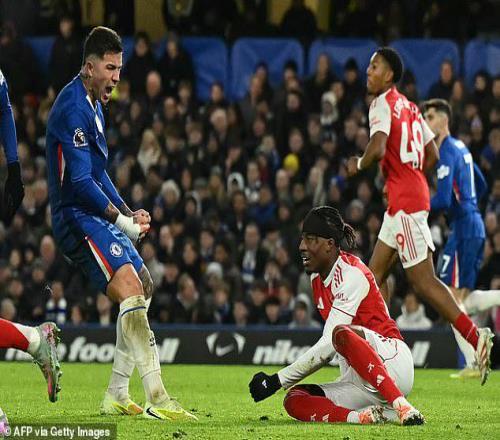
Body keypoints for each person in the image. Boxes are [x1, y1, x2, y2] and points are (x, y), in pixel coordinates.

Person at [45, 26, 196, 421]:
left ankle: (116, 392)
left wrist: (128, 212)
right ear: (89, 67)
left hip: (92, 213)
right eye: (110, 68)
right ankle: (158, 397)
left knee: (144, 283)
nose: (116, 77)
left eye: (119, 69)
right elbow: (80, 183)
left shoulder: (94, 104)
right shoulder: (73, 108)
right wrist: (122, 222)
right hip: (74, 217)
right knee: (130, 288)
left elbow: (98, 173)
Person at [346, 47, 494, 385]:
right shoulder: (411, 107)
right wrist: (410, 176)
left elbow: (377, 147)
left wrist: (358, 164)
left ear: (389, 76)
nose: (369, 71)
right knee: (374, 275)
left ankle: (475, 337)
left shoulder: (381, 103)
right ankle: (378, 349)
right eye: (369, 65)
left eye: (375, 66)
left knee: (424, 282)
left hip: (405, 204)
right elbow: (433, 153)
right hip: (407, 198)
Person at [249, 206, 424, 426]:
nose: (302, 246)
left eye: (311, 239)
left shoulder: (352, 275)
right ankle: (363, 417)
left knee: (340, 334)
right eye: (302, 239)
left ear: (329, 244)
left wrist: (277, 381)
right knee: (295, 398)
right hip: (358, 381)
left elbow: (328, 346)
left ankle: (402, 406)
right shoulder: (316, 280)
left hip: (392, 363)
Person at [423, 98, 500, 378]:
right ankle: (475, 358)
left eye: (431, 117)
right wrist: (469, 203)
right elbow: (482, 183)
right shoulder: (462, 147)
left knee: (450, 301)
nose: (426, 122)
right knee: (463, 297)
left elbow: (443, 199)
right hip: (474, 224)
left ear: (444, 120)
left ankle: (473, 361)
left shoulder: (445, 151)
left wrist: (416, 206)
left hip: (463, 228)